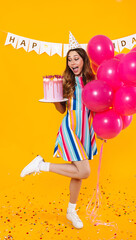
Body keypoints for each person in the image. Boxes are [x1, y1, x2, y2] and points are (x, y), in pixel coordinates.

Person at [20, 47, 100, 229]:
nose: (72, 63)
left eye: (76, 59)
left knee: (78, 173)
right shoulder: (66, 81)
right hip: (70, 128)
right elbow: (62, 110)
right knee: (84, 171)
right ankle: (41, 165)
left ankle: (71, 211)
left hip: (85, 130)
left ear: (84, 60)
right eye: (69, 60)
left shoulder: (93, 80)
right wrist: (55, 96)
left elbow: (99, 104)